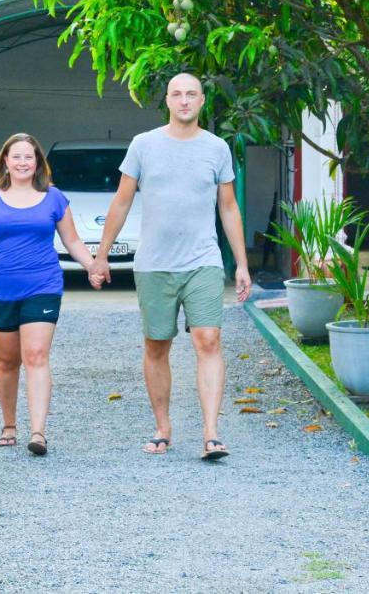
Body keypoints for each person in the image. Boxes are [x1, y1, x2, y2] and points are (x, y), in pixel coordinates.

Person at [89, 73, 252, 461]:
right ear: (166, 100)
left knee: (208, 339)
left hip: (203, 261)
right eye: (177, 94)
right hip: (154, 264)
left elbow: (228, 207)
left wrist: (242, 263)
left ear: (201, 101)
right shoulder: (144, 145)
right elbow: (122, 200)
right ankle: (163, 428)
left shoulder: (216, 148)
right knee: (157, 344)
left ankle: (211, 433)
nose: (184, 101)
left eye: (191, 94)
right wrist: (101, 255)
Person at [0, 133, 97, 456]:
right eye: (16, 157)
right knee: (8, 361)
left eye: (29, 157)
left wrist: (93, 266)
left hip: (43, 286)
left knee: (36, 356)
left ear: (38, 163)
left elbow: (73, 242)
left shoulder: (54, 198)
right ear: (5, 162)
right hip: (0, 289)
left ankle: (38, 432)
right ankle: (9, 423)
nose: (23, 162)